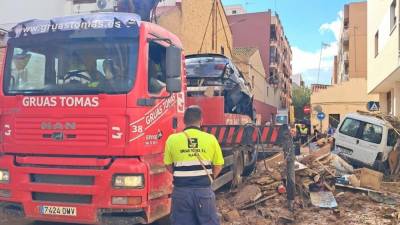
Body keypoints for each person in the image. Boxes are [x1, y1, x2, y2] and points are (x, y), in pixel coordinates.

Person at [164, 106, 224, 225]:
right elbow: (218, 164)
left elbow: (168, 165)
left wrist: (182, 175)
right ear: (201, 121)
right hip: (203, 192)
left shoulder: (172, 140)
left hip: (181, 192)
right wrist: (209, 178)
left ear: (184, 121)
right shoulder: (210, 139)